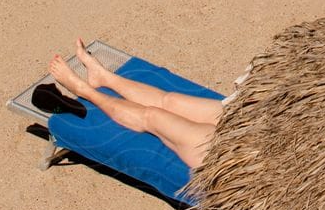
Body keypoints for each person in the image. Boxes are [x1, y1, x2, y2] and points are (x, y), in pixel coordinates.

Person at [48, 40, 243, 173]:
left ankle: (84, 90)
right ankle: (103, 77)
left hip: (239, 158)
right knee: (171, 101)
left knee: (152, 117)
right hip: (254, 127)